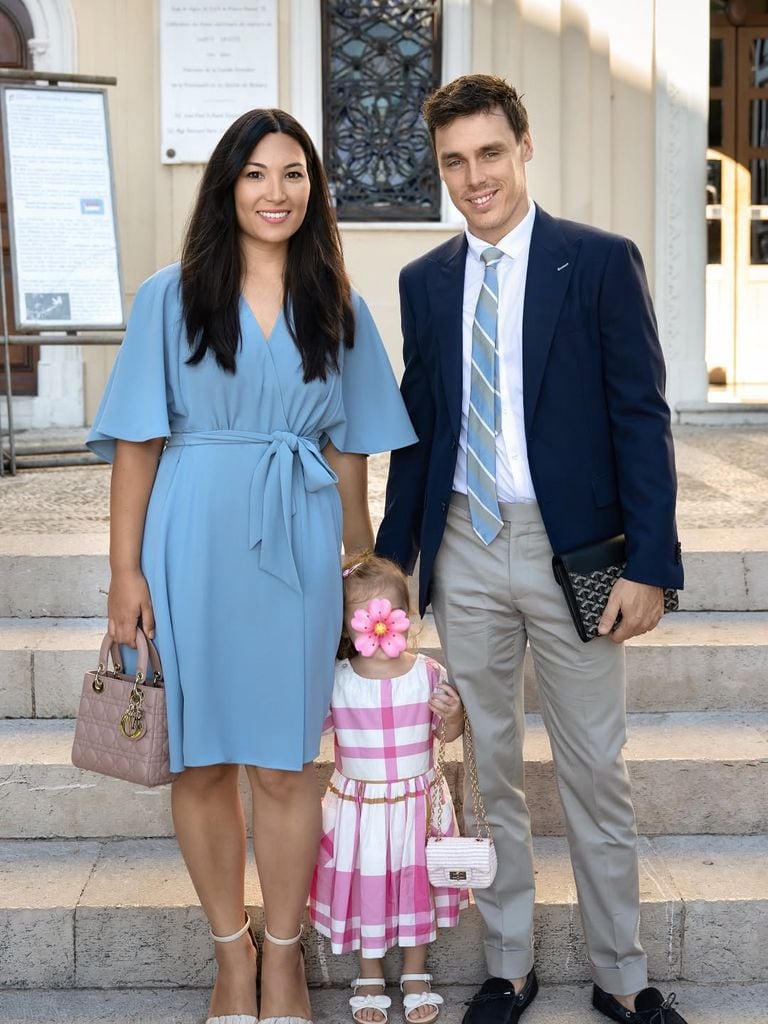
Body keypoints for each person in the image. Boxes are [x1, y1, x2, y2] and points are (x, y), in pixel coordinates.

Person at [87, 108, 416, 1024]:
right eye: (257, 174)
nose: (277, 193)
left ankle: (283, 958)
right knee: (196, 765)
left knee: (283, 765)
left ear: (314, 189)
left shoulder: (336, 304)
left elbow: (351, 448)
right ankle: (229, 957)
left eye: (295, 174)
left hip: (300, 546)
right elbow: (138, 444)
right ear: (227, 186)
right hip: (189, 538)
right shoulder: (170, 295)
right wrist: (125, 574)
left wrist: (361, 562)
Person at [376, 75, 688, 1024]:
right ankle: (509, 967)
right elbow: (421, 428)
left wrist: (653, 565)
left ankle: (623, 978)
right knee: (493, 770)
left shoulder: (596, 262)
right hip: (466, 547)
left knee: (597, 768)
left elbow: (641, 416)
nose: (475, 177)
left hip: (576, 552)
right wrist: (395, 564)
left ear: (524, 147)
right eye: (455, 162)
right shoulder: (425, 281)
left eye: (490, 153)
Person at [309, 552, 466, 1024]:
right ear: (345, 626)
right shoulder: (337, 681)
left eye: (386, 617)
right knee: (365, 886)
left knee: (416, 885)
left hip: (415, 805)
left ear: (405, 618)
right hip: (358, 809)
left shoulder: (428, 674)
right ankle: (369, 970)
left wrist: (453, 715)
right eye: (363, 619)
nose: (376, 631)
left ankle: (416, 971)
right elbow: (311, 729)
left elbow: (449, 734)